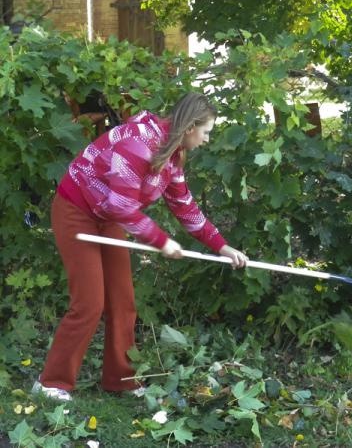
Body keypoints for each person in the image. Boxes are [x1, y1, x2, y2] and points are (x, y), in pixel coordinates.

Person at [32, 92, 248, 401]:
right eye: (206, 132)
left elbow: (184, 206)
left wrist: (222, 247)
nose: (207, 139)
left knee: (123, 300)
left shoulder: (173, 155)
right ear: (189, 128)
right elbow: (122, 207)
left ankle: (121, 380)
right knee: (89, 303)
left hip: (106, 216)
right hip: (76, 210)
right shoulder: (138, 143)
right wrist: (162, 241)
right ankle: (51, 383)